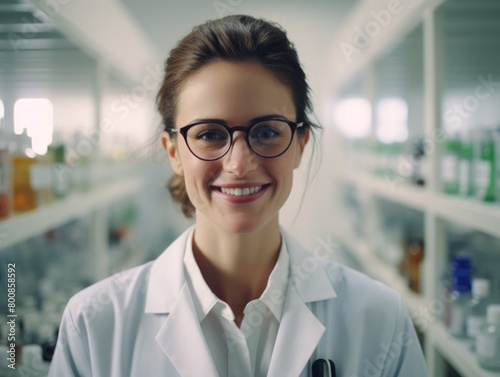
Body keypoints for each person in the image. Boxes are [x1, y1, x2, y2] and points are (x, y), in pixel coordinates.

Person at [49, 15, 428, 377]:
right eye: (210, 134)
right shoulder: (94, 323)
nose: (239, 163)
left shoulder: (380, 319)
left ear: (299, 145)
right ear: (173, 152)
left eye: (266, 132)